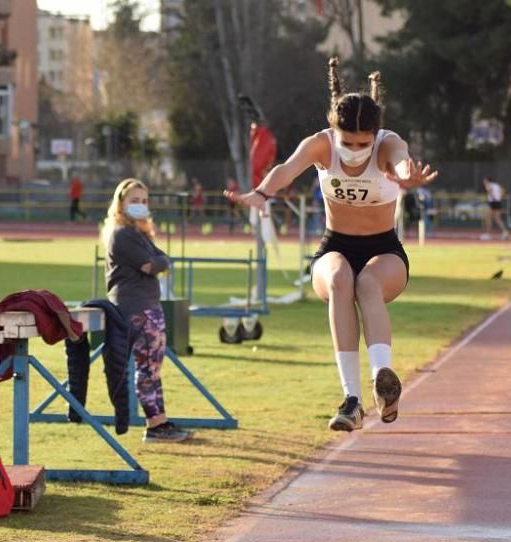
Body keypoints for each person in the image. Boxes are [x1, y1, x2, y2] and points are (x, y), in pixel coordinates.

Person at [226, 57, 438, 431]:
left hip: (384, 250)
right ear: (333, 131)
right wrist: (262, 192)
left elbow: (402, 162)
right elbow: (286, 169)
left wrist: (408, 176)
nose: (355, 150)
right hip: (334, 245)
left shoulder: (387, 145)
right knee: (341, 278)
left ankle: (382, 383)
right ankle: (352, 399)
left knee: (367, 283)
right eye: (347, 142)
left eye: (362, 143)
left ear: (376, 135)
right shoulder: (321, 145)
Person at [102, 178, 191, 443]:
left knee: (152, 367)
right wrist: (157, 262)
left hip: (148, 305)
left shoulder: (139, 233)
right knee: (147, 368)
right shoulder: (123, 234)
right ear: (121, 203)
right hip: (136, 307)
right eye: (134, 201)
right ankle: (154, 424)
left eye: (144, 201)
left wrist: (158, 261)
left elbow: (162, 259)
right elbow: (151, 265)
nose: (140, 206)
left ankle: (160, 420)